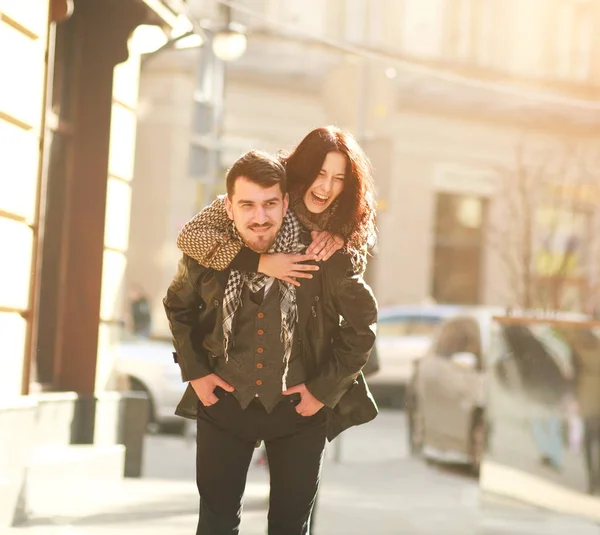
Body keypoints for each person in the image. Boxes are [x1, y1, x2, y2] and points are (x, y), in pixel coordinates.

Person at [163, 150, 378, 535]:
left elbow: (363, 326)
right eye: (247, 205)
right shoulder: (208, 252)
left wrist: (321, 391)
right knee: (215, 523)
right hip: (223, 404)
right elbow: (178, 307)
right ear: (229, 208)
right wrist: (196, 373)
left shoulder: (321, 253)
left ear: (285, 204)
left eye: (269, 204)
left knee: (290, 527)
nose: (259, 217)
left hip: (299, 412)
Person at [175, 125, 376, 283]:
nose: (326, 187)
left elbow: (360, 257)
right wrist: (260, 263)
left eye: (339, 178)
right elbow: (190, 235)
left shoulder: (349, 210)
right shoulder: (272, 184)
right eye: (320, 174)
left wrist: (342, 238)